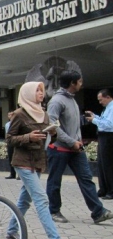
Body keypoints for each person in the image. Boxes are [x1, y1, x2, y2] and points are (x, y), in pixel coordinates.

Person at [6, 82, 76, 239]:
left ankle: (11, 230)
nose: (40, 93)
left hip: (37, 162)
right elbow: (9, 138)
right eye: (36, 90)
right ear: (28, 93)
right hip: (22, 162)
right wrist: (28, 137)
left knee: (25, 199)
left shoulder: (43, 114)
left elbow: (46, 140)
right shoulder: (20, 114)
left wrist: (52, 134)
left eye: (41, 90)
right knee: (41, 199)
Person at [46, 70, 113, 224]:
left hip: (76, 149)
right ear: (72, 83)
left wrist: (78, 141)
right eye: (80, 81)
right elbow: (52, 126)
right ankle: (54, 211)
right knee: (55, 182)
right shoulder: (56, 101)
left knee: (86, 180)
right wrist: (71, 141)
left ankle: (98, 212)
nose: (82, 84)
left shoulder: (72, 100)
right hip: (59, 149)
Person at [85, 88, 113, 200]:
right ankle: (104, 189)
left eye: (101, 100)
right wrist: (95, 116)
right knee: (101, 164)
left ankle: (111, 190)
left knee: (108, 165)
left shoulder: (112, 108)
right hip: (103, 136)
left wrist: (94, 120)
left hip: (109, 137)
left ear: (108, 97)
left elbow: (110, 125)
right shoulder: (107, 108)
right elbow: (104, 121)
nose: (100, 102)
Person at [4, 111, 17, 179]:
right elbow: (7, 134)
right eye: (9, 115)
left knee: (17, 158)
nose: (10, 116)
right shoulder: (7, 124)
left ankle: (20, 175)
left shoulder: (17, 123)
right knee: (11, 158)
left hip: (16, 142)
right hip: (10, 142)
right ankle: (12, 174)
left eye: (11, 115)